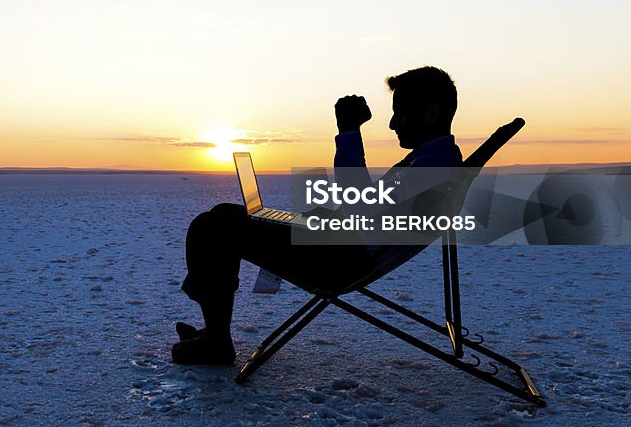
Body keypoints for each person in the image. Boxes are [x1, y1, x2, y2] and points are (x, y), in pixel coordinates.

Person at [172, 66, 463, 365]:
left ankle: (216, 344)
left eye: (401, 112)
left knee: (210, 227)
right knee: (225, 214)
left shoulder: (435, 166)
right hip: (340, 249)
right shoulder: (436, 161)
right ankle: (216, 332)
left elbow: (360, 205)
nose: (392, 124)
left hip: (338, 263)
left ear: (431, 114)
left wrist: (349, 132)